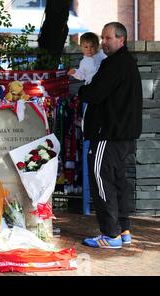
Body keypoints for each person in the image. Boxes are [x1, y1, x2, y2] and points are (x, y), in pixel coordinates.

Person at [78, 22, 142, 249]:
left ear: (121, 40)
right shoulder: (127, 62)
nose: (103, 42)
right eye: (102, 38)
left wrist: (81, 89)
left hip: (108, 134)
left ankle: (111, 235)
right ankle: (123, 230)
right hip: (122, 135)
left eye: (107, 38)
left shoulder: (114, 64)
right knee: (117, 182)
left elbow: (94, 94)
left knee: (101, 181)